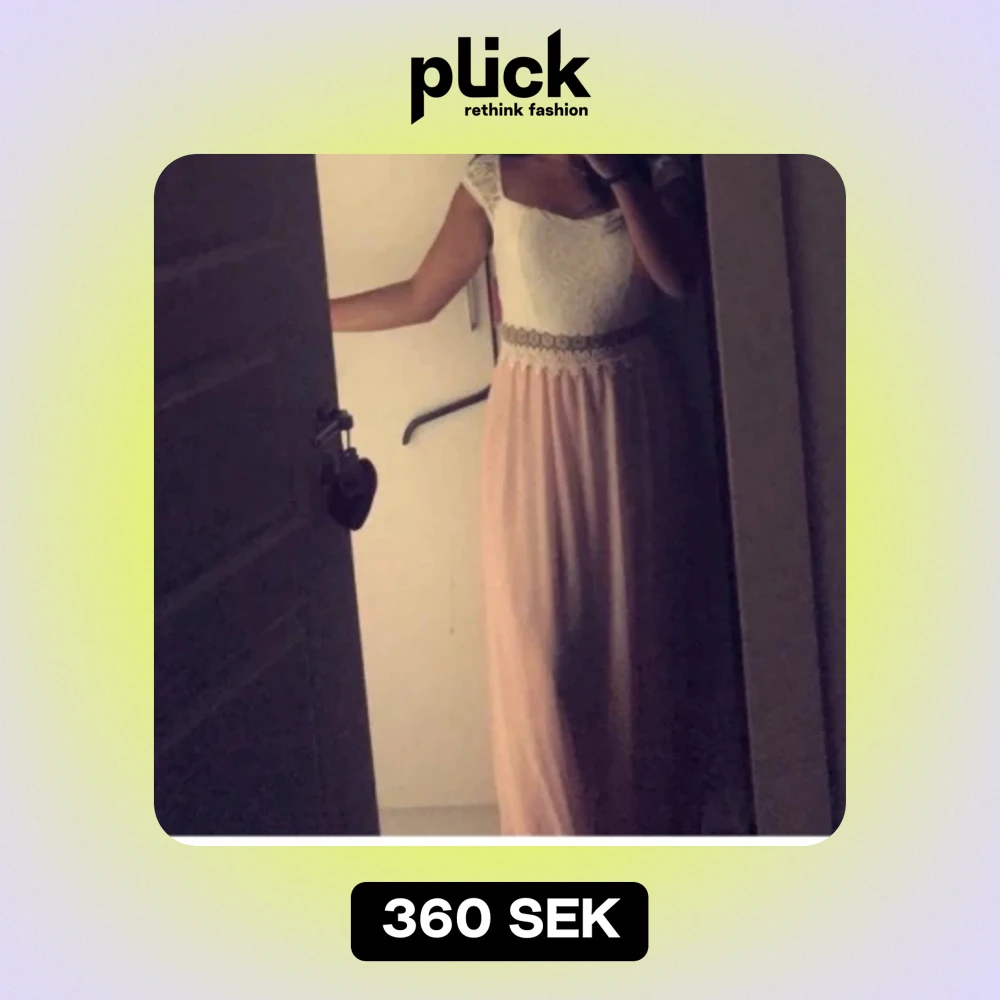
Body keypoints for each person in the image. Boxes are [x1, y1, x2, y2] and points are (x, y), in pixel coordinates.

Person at [330, 154, 708, 835]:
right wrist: (304, 319)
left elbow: (679, 281)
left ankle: (641, 847)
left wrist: (621, 176)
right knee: (542, 658)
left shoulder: (659, 167)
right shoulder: (493, 174)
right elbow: (420, 296)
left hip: (628, 422)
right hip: (532, 429)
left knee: (634, 651)